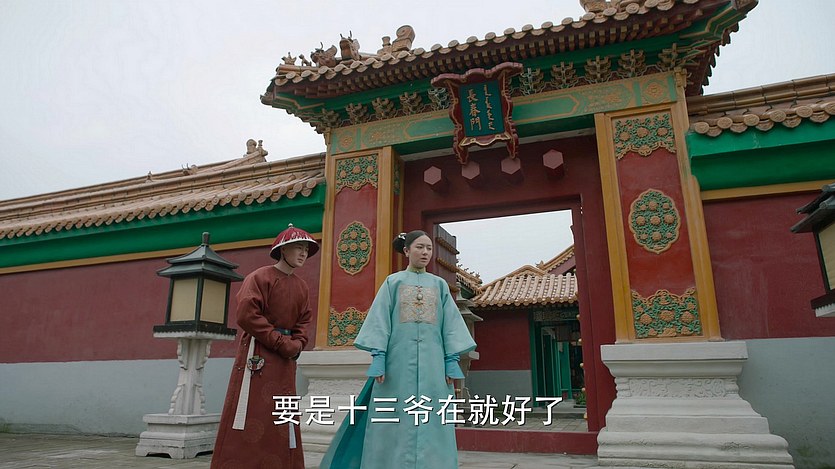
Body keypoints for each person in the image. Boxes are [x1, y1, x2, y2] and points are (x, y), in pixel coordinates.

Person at [321, 230, 477, 469]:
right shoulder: (393, 282)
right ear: (406, 251)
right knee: (392, 416)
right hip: (397, 365)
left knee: (433, 416)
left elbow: (451, 325)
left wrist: (451, 360)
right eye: (419, 247)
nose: (425, 252)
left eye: (428, 248)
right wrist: (379, 357)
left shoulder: (439, 286)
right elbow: (380, 320)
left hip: (434, 366)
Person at [211, 223, 318, 469]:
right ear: (283, 250)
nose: (303, 253)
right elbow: (247, 315)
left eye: (306, 249)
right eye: (298, 248)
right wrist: (280, 342)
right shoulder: (260, 277)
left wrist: (298, 344)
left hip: (286, 358)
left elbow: (304, 320)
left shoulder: (301, 286)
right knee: (255, 411)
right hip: (258, 352)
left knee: (282, 411)